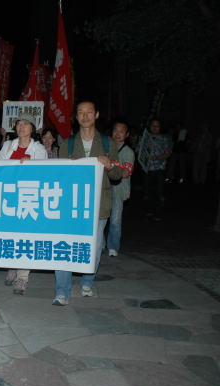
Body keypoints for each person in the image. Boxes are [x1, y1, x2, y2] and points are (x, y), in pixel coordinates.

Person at [54, 100, 122, 306]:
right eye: (81, 113)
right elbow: (58, 175)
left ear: (96, 115)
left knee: (95, 246)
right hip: (71, 204)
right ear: (76, 117)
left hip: (99, 204)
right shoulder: (68, 144)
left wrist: (110, 166)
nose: (85, 116)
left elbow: (117, 175)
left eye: (89, 112)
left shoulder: (108, 143)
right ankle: (62, 291)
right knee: (64, 245)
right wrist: (68, 168)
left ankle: (87, 281)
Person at [0, 111, 48, 295]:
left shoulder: (39, 150)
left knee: (25, 236)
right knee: (9, 235)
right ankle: (12, 266)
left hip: (28, 198)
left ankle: (23, 277)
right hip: (9, 197)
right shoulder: (8, 145)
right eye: (19, 123)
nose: (21, 126)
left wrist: (31, 163)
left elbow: (44, 174)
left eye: (26, 124)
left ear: (32, 128)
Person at [106, 120, 135, 257]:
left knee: (115, 220)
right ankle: (99, 244)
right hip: (104, 188)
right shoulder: (106, 148)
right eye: (115, 130)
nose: (118, 134)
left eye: (121, 131)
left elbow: (126, 172)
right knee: (101, 218)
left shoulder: (128, 152)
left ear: (127, 134)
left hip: (118, 189)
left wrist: (110, 168)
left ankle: (113, 246)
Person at [143, 118, 171, 222]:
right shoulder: (145, 138)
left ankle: (158, 213)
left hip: (160, 168)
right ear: (150, 127)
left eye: (157, 126)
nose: (155, 128)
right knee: (148, 191)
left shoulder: (164, 138)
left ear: (160, 127)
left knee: (159, 191)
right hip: (148, 169)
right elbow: (140, 151)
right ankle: (149, 211)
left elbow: (167, 153)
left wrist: (156, 158)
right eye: (153, 125)